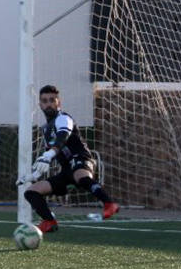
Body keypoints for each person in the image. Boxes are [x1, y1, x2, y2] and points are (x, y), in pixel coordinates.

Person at [23, 84, 119, 234]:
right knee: (31, 192)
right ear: (40, 104)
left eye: (52, 100)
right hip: (66, 171)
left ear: (58, 103)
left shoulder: (63, 118)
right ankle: (49, 221)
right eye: (45, 100)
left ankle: (109, 203)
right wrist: (33, 175)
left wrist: (49, 154)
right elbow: (51, 152)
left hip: (80, 159)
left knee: (80, 175)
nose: (48, 103)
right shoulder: (46, 129)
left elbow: (63, 135)